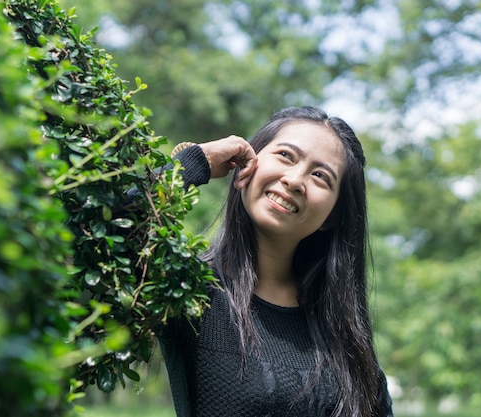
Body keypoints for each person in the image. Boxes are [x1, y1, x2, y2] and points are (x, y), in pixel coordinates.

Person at [157, 106, 393, 417]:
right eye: (286, 156)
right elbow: (99, 232)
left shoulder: (344, 335)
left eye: (321, 176)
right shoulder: (191, 291)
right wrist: (195, 162)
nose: (295, 180)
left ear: (332, 216)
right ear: (245, 163)